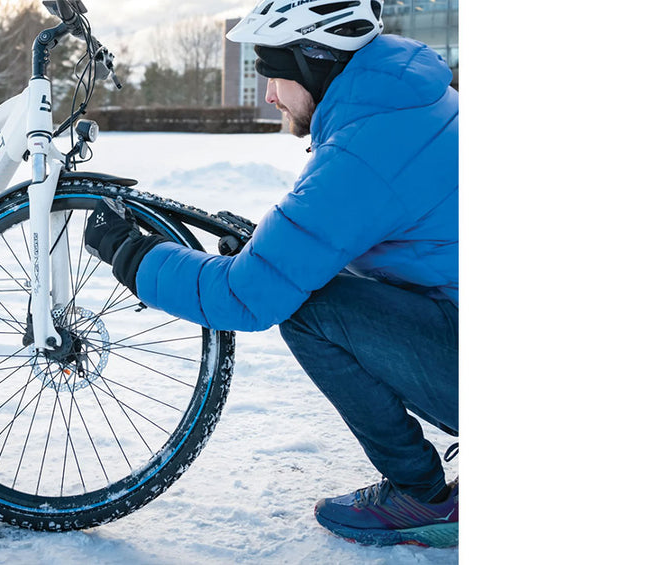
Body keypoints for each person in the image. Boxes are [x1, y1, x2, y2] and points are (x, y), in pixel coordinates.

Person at [83, 0, 458, 548]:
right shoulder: (404, 102)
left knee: (308, 309)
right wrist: (264, 248)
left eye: (271, 73)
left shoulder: (368, 148)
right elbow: (366, 232)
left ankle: (421, 496)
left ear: (313, 62)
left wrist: (132, 255)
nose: (268, 94)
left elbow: (247, 296)